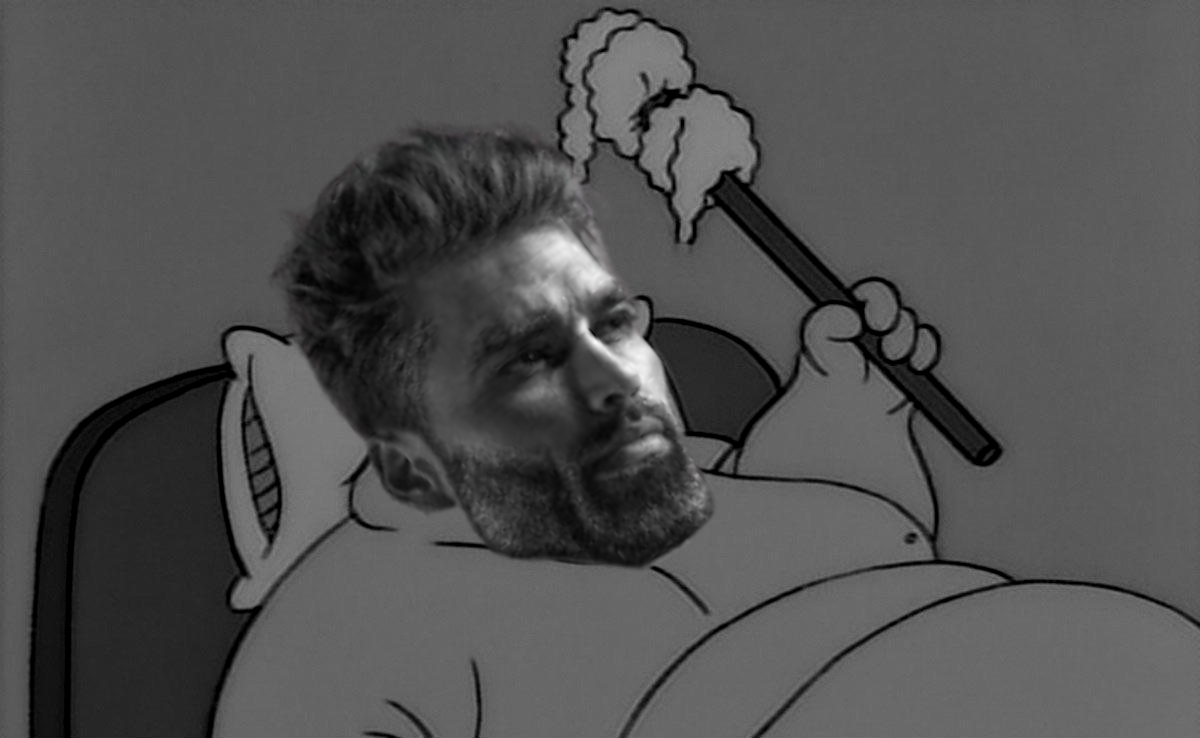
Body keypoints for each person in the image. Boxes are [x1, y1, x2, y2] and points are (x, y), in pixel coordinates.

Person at [214, 128, 1200, 737]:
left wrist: (848, 411)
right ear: (412, 471)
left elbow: (864, 542)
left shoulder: (730, 480)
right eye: (528, 360)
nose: (616, 380)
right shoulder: (348, 643)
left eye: (614, 324)